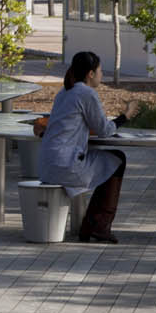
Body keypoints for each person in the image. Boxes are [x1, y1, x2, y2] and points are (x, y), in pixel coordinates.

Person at [37, 50, 131, 243]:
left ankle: (91, 225)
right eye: (100, 71)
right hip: (66, 165)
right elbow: (104, 130)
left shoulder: (64, 92)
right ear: (90, 74)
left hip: (46, 163)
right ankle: (99, 225)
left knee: (108, 161)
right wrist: (125, 116)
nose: (101, 75)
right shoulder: (86, 93)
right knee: (117, 159)